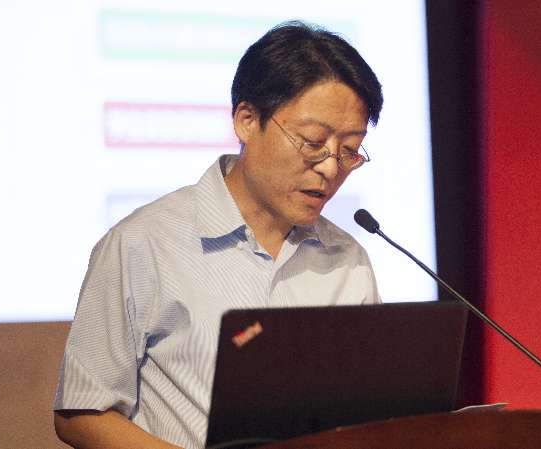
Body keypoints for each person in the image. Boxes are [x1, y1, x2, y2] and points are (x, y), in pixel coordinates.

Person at [53, 21, 384, 449]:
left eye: (349, 150)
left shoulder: (347, 260)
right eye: (312, 141)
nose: (330, 167)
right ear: (247, 120)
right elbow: (81, 414)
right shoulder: (143, 245)